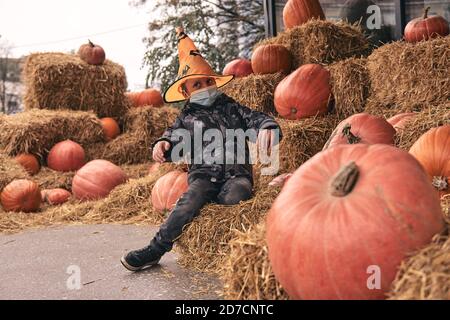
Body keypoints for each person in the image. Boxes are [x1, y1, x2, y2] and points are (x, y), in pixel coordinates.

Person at [120, 27, 282, 271]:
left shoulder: (232, 107)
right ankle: (156, 249)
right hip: (204, 175)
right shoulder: (186, 117)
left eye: (209, 81)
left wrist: (267, 127)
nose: (206, 87)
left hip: (237, 174)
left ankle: (235, 250)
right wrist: (164, 145)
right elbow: (173, 137)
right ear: (186, 91)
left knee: (236, 195)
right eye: (198, 84)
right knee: (188, 202)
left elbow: (255, 118)